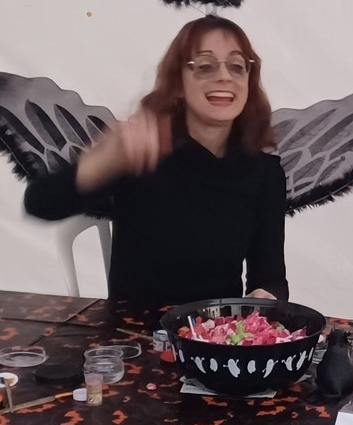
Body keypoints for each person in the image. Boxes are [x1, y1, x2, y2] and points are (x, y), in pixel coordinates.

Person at [23, 16, 288, 308]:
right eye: (205, 66)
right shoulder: (144, 149)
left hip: (215, 331)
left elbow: (271, 278)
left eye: (237, 66)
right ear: (178, 83)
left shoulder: (265, 173)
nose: (225, 76)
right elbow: (40, 204)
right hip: (132, 329)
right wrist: (103, 161)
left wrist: (266, 296)